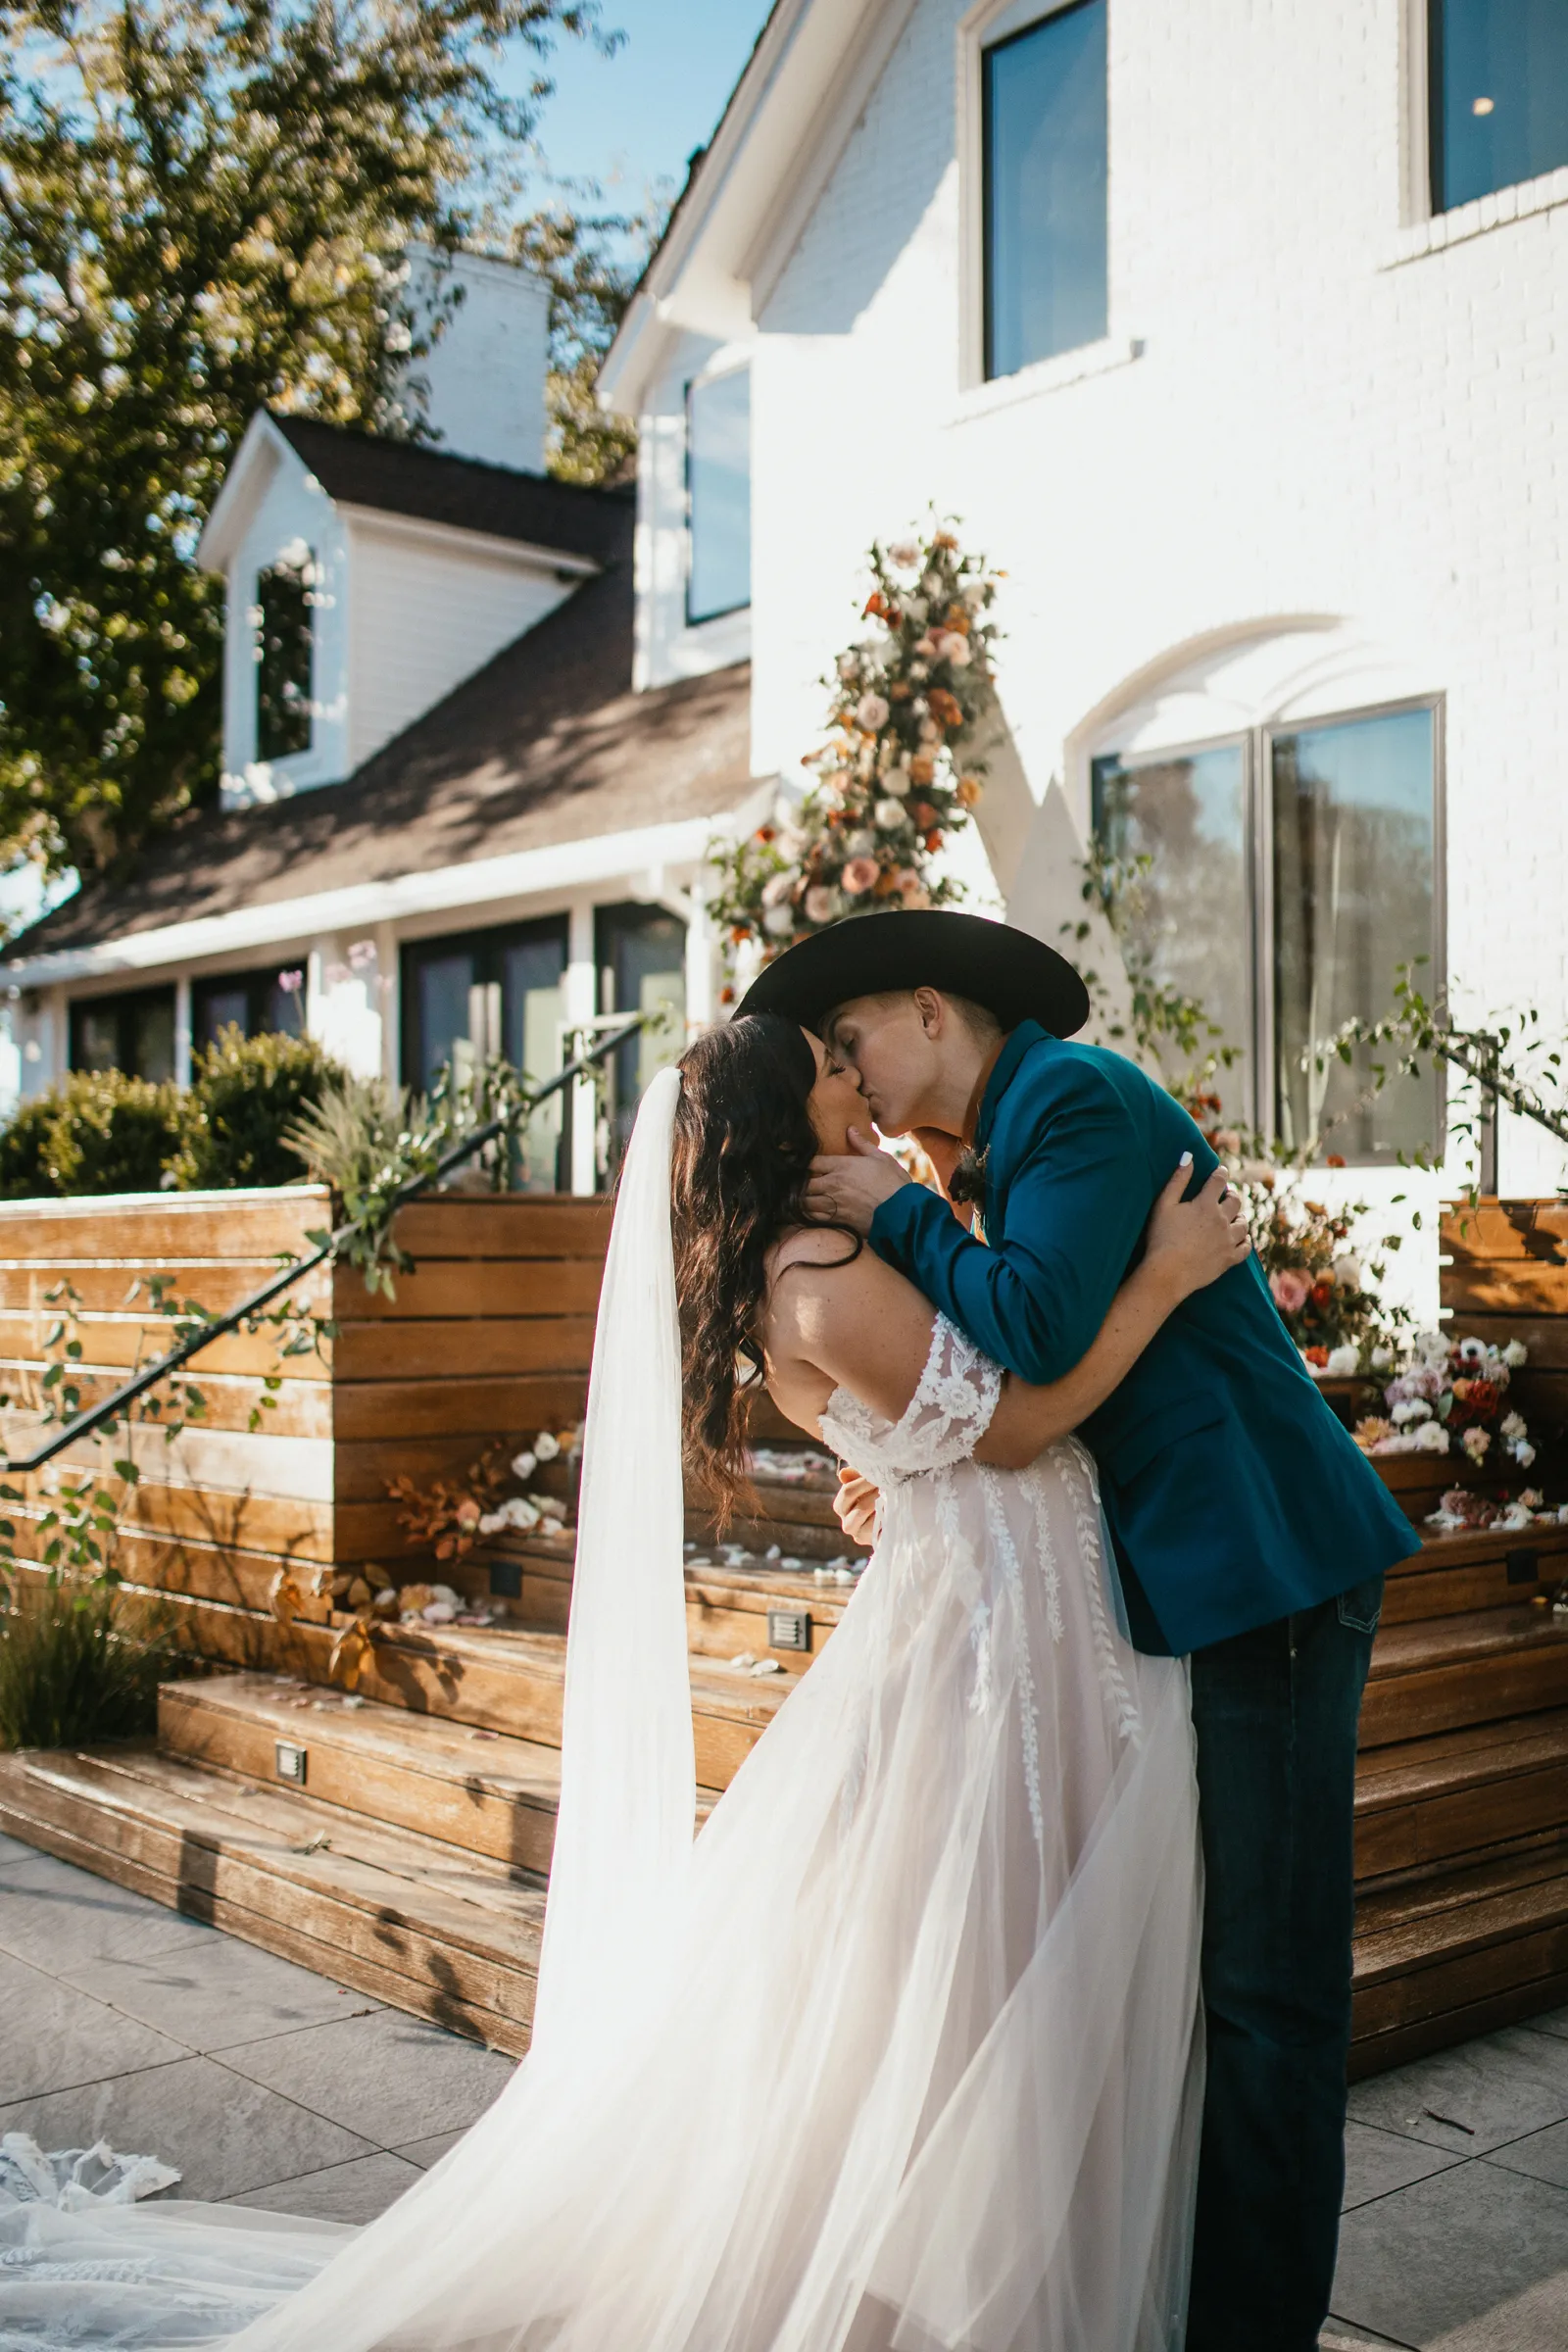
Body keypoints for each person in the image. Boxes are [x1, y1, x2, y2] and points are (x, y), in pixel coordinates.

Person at [0, 1010, 1247, 2352]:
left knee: (976, 1985)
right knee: (986, 1980)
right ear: (785, 1121)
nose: (861, 1084)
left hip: (1007, 1611)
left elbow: (924, 1442)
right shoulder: (821, 1269)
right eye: (835, 1070)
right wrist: (1165, 1279)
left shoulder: (812, 1258)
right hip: (1002, 1631)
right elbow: (1014, 1427)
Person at [741, 907, 1421, 2352]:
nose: (850, 1082)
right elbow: (986, 1381)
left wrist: (889, 1208)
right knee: (1221, 1989)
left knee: (1269, 1996)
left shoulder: (1067, 1093)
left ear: (932, 1011)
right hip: (1187, 1575)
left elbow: (1039, 1329)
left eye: (853, 1039)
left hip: (1263, 1563)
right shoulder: (985, 1151)